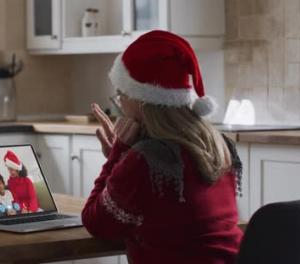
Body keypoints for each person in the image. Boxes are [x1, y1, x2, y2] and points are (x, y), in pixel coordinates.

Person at [82, 30, 243, 264]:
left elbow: (95, 222)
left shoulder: (145, 159)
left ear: (141, 101)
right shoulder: (220, 145)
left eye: (121, 96)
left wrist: (116, 157)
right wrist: (123, 161)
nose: (120, 105)